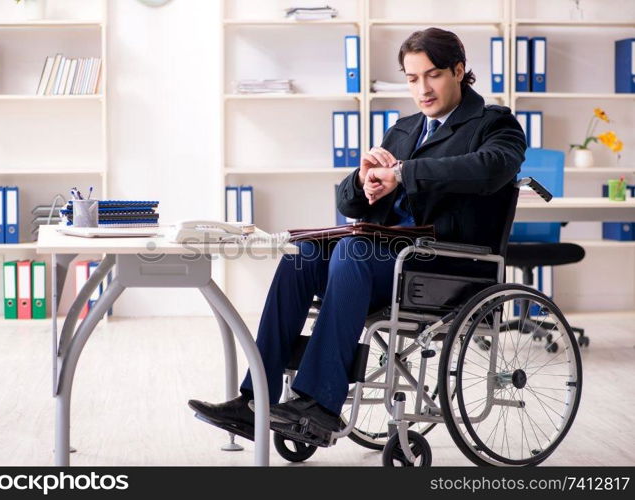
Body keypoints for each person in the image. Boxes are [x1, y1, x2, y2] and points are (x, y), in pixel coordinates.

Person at [189, 27, 527, 444]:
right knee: (304, 253)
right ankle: (254, 398)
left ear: (459, 70)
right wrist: (365, 180)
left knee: (353, 250)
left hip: (446, 262)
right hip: (386, 255)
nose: (422, 88)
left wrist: (403, 174)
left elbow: (491, 167)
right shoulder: (404, 129)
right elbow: (352, 205)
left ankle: (320, 403)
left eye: (433, 75)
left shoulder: (495, 123)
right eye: (411, 78)